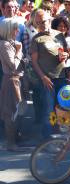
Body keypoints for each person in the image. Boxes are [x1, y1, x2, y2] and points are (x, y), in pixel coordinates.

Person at [30, 9, 69, 139]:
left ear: (50, 20)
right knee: (49, 110)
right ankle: (47, 140)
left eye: (44, 21)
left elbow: (65, 52)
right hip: (48, 79)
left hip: (62, 77)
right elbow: (34, 62)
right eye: (39, 22)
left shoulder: (59, 35)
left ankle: (61, 137)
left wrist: (66, 55)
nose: (42, 24)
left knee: (62, 108)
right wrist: (43, 77)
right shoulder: (36, 39)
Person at [0, 18, 24, 151]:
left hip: (16, 80)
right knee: (10, 113)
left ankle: (14, 140)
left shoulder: (11, 43)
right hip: (11, 80)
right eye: (15, 28)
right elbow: (13, 65)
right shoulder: (4, 44)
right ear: (9, 30)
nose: (18, 31)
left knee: (15, 112)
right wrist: (19, 50)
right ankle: (11, 143)